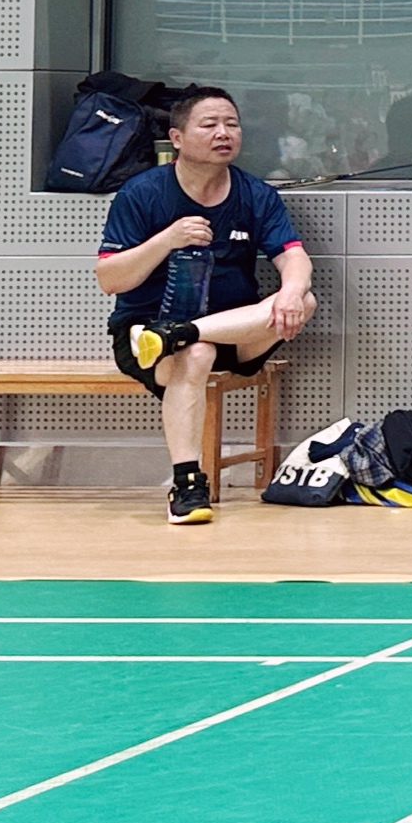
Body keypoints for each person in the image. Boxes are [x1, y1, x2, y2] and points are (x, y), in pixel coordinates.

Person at [98, 85, 315, 528]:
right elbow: (110, 279)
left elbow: (292, 256)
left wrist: (292, 290)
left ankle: (183, 333)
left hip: (233, 331)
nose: (223, 133)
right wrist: (167, 240)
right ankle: (187, 484)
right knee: (196, 354)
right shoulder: (141, 193)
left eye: (232, 124)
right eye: (210, 124)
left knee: (304, 299)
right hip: (145, 331)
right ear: (177, 138)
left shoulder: (256, 194)